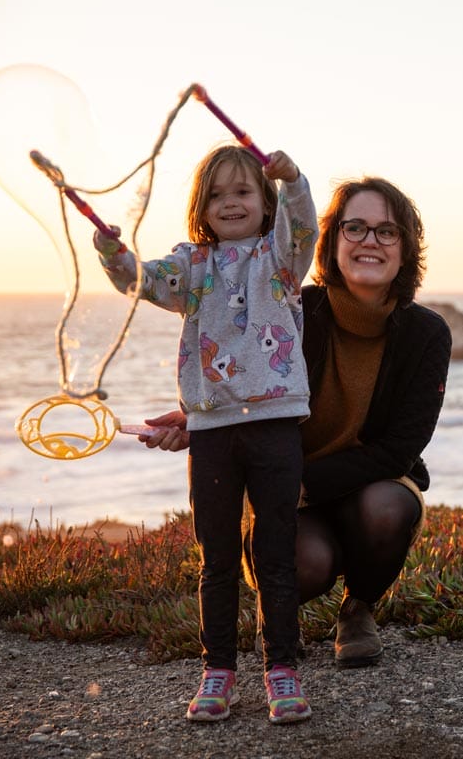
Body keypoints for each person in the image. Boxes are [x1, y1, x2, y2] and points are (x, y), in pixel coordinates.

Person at [141, 176, 452, 673]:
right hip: (283, 486)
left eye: (386, 231)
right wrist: (200, 421)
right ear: (330, 241)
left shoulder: (426, 332)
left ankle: (358, 609)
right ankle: (281, 623)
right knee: (304, 564)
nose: (370, 241)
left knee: (388, 506)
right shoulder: (291, 305)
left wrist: (304, 485)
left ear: (405, 248)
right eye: (355, 227)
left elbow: (402, 447)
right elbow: (245, 380)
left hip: (352, 487)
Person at [95, 145, 317, 724]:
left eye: (243, 191)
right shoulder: (191, 265)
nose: (230, 203)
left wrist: (293, 180)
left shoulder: (281, 258)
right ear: (201, 205)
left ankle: (282, 670)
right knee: (216, 557)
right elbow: (141, 281)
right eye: (217, 194)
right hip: (213, 429)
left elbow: (305, 225)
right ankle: (216, 669)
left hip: (274, 425)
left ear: (265, 201)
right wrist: (113, 253)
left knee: (275, 553)